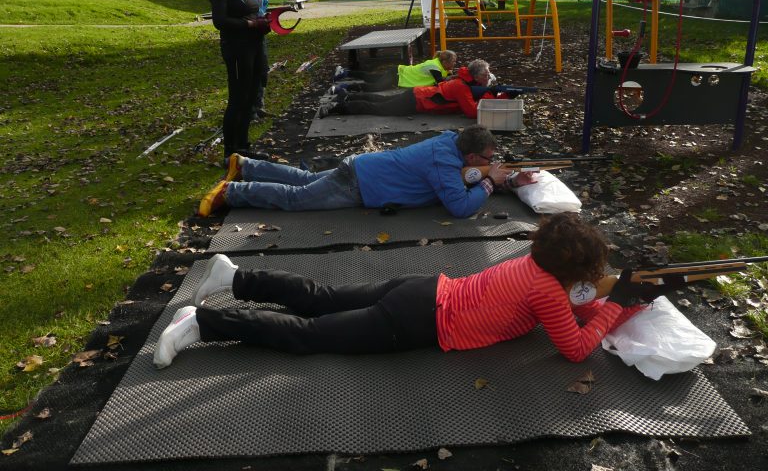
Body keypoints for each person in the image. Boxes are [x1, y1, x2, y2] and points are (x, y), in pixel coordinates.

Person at [153, 213, 669, 369]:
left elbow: (569, 308)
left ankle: (234, 277)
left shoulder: (531, 263)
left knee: (322, 297)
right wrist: (614, 307)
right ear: (571, 273)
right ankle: (202, 321)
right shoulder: (551, 294)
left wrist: (603, 301)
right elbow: (575, 349)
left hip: (421, 288)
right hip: (416, 322)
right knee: (310, 333)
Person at [197, 125, 536, 218]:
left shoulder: (451, 143)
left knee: (302, 180)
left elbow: (471, 179)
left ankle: (245, 166)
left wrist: (508, 182)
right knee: (297, 199)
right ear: (472, 155)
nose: (490, 163)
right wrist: (492, 181)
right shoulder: (443, 164)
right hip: (357, 184)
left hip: (360, 172)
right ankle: (233, 192)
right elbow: (460, 207)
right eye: (487, 159)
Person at [207, 0, 268, 158]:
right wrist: (249, 25)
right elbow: (220, 20)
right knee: (238, 98)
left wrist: (263, 21)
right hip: (236, 48)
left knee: (251, 96)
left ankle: (244, 147)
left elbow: (251, 7)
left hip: (253, 45)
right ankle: (231, 152)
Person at [320, 59, 504, 119]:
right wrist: (490, 95)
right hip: (416, 100)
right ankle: (338, 107)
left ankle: (346, 96)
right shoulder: (461, 86)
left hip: (416, 95)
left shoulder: (463, 82)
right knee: (378, 108)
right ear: (477, 76)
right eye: (486, 75)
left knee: (381, 101)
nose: (488, 78)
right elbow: (472, 111)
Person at [329, 50, 458, 94]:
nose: (454, 64)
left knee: (372, 78)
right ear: (445, 62)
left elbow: (444, 76)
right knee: (376, 87)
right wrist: (455, 77)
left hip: (399, 73)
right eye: (453, 62)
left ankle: (345, 73)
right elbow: (440, 82)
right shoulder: (434, 67)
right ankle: (343, 87)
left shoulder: (441, 67)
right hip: (398, 75)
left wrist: (451, 74)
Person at [242, 0, 271, 121]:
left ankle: (259, 106)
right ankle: (250, 111)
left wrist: (266, 19)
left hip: (261, 36)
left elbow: (264, 5)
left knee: (262, 71)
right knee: (250, 73)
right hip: (247, 38)